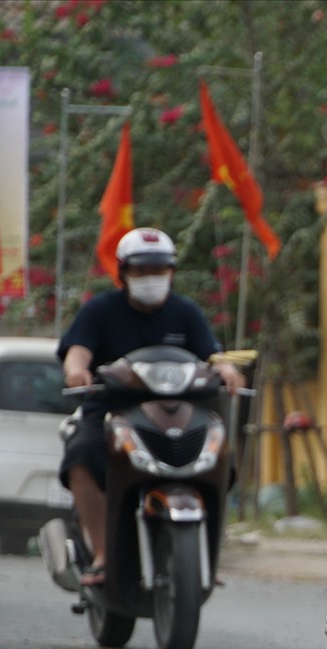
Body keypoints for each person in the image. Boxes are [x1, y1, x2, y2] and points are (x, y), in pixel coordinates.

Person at [57, 227, 241, 587]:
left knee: (221, 459)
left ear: (171, 272)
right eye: (142, 271)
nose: (151, 278)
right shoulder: (100, 311)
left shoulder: (185, 312)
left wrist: (227, 369)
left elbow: (213, 354)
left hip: (179, 412)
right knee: (81, 457)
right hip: (111, 412)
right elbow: (77, 351)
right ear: (123, 272)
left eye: (159, 270)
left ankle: (206, 552)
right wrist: (76, 371)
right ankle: (102, 554)